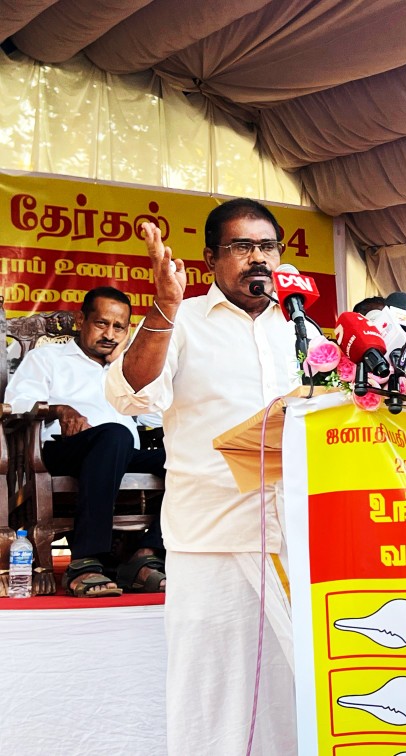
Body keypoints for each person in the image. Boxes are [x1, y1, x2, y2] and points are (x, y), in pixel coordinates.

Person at [105, 199, 302, 754]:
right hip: (212, 540)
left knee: (298, 692)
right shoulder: (182, 321)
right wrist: (165, 309)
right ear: (212, 257)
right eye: (242, 247)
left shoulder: (304, 333)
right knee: (212, 697)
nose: (257, 258)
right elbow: (129, 392)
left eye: (267, 246)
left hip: (299, 542)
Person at [7, 286, 166, 597]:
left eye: (119, 327)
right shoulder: (48, 358)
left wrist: (134, 369)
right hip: (63, 449)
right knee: (114, 433)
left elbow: (159, 417)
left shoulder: (128, 369)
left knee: (189, 456)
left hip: (121, 453)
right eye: (101, 323)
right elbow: (16, 405)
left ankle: (146, 555)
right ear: (82, 320)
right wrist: (58, 409)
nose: (109, 333)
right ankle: (85, 561)